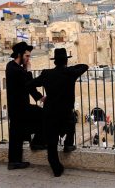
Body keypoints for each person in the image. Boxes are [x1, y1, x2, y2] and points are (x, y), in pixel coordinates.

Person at [27, 48, 88, 177]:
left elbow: (30, 84)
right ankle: (68, 144)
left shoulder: (46, 74)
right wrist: (69, 67)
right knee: (72, 122)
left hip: (50, 113)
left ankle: (56, 168)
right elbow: (84, 66)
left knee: (52, 143)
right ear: (66, 60)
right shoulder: (70, 73)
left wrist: (39, 97)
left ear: (54, 62)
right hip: (65, 114)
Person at [6, 42, 46, 170]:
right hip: (19, 108)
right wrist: (29, 71)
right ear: (20, 54)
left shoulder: (11, 66)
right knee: (42, 114)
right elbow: (29, 84)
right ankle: (36, 143)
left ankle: (14, 161)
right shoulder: (16, 70)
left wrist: (39, 97)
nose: (28, 59)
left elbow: (27, 87)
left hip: (18, 107)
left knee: (16, 134)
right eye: (27, 56)